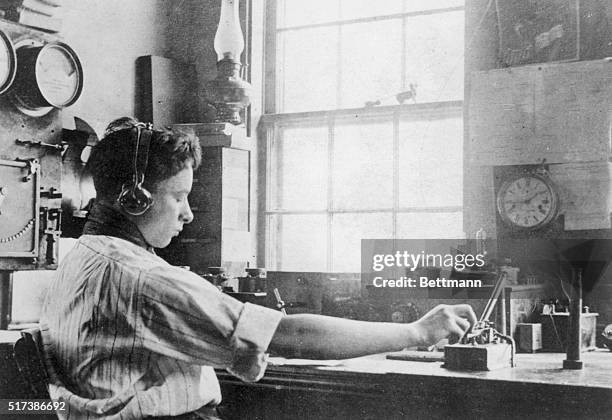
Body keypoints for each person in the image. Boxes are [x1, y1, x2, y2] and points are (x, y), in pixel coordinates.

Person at [40, 117, 477, 420]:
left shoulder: (81, 257)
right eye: (179, 196)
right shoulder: (142, 278)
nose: (188, 214)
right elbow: (291, 336)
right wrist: (417, 333)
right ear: (135, 197)